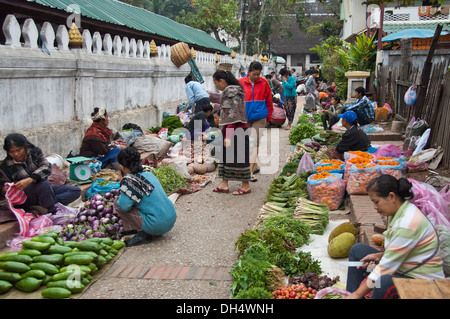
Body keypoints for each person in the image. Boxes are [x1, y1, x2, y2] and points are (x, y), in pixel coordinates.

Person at [346, 175, 445, 299]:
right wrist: (380, 255)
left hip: (426, 283)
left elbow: (385, 268)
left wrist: (357, 293)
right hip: (405, 269)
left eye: (377, 202)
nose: (375, 207)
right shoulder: (397, 212)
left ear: (392, 197)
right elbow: (402, 250)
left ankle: (354, 296)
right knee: (358, 250)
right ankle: (349, 295)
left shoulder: (407, 223)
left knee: (383, 282)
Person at [0, 134, 81, 214]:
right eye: (12, 152)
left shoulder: (35, 152)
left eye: (18, 150)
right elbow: (3, 187)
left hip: (44, 191)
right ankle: (50, 211)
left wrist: (30, 179)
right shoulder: (6, 166)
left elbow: (46, 167)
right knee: (43, 183)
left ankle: (43, 205)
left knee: (75, 190)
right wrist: (5, 189)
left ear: (25, 147)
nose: (16, 154)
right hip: (26, 197)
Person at [114, 147, 177, 247]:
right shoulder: (148, 174)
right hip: (171, 219)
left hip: (157, 225)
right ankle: (147, 227)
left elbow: (123, 206)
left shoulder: (130, 180)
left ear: (122, 167)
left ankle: (142, 233)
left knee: (117, 204)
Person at [213, 70, 251, 195]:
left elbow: (233, 115)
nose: (216, 86)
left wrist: (228, 135)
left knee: (239, 158)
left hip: (236, 130)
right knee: (226, 158)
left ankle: (246, 186)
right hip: (229, 129)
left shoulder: (231, 93)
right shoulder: (232, 91)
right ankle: (224, 184)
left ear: (222, 81)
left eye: (216, 83)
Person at [239, 62, 273, 182]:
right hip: (245, 118)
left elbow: (269, 101)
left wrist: (268, 117)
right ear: (249, 72)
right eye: (254, 74)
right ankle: (254, 165)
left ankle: (250, 172)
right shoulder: (241, 82)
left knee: (254, 144)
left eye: (258, 74)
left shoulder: (264, 83)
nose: (256, 77)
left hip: (259, 118)